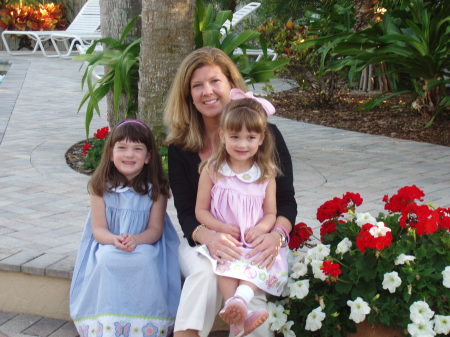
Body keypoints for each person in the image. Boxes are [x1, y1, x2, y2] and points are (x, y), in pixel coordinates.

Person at [164, 47, 297, 337]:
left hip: (253, 245)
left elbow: (285, 202)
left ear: (232, 86)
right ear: (188, 95)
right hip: (202, 241)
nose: (207, 91)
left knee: (253, 308)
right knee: (203, 274)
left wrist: (275, 235)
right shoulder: (180, 147)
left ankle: (244, 315)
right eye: (197, 85)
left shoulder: (266, 136)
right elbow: (187, 213)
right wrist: (210, 237)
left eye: (215, 81)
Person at [70, 119, 181, 337]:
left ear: (148, 156)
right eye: (122, 147)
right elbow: (99, 229)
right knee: (107, 259)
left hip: (146, 243)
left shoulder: (155, 189)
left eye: (137, 149)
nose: (129, 155)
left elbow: (155, 230)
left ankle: (144, 323)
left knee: (145, 259)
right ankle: (108, 321)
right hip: (109, 242)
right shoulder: (100, 187)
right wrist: (114, 240)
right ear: (111, 153)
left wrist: (137, 240)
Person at [195, 94, 289, 337]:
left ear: (261, 139)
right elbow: (200, 210)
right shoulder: (213, 171)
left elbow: (271, 212)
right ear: (223, 135)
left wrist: (263, 229)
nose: (242, 144)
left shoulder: (265, 174)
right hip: (227, 240)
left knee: (258, 262)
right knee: (225, 264)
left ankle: (241, 304)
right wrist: (220, 227)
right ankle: (234, 309)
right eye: (235, 137)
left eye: (250, 138)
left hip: (253, 240)